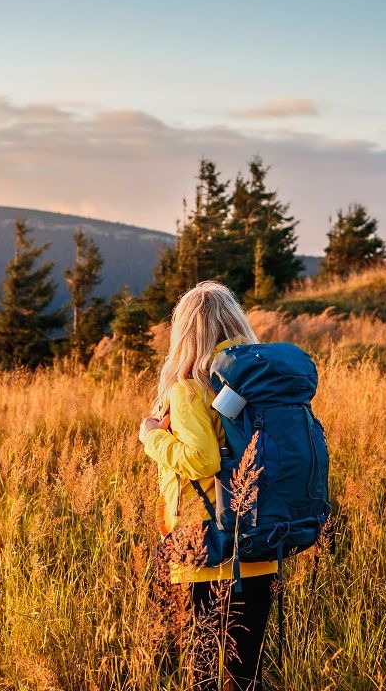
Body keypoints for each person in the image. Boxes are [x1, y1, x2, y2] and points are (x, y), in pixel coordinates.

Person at [138, 280, 276, 691]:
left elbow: (203, 460)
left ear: (185, 334)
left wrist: (153, 438)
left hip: (205, 552)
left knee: (202, 677)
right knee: (245, 678)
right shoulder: (262, 390)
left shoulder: (188, 391)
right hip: (261, 546)